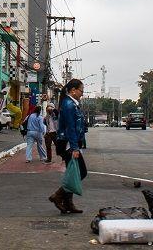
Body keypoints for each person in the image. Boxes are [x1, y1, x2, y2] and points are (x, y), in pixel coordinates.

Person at [49, 79, 87, 215]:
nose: (82, 93)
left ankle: (68, 203)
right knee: (81, 172)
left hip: (70, 143)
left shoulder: (72, 104)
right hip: (68, 144)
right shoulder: (69, 104)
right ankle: (58, 196)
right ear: (73, 90)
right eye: (81, 90)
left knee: (74, 172)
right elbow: (71, 127)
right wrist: (75, 148)